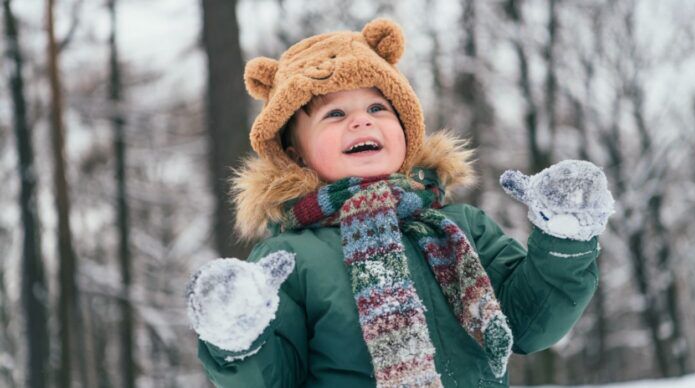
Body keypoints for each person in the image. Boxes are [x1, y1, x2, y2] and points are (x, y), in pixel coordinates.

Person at [185, 18, 614, 388]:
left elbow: (532, 323)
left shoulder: (461, 226)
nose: (361, 119)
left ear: (406, 129)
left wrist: (564, 241)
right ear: (296, 153)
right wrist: (238, 336)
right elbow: (273, 377)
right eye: (333, 114)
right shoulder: (290, 257)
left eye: (378, 106)